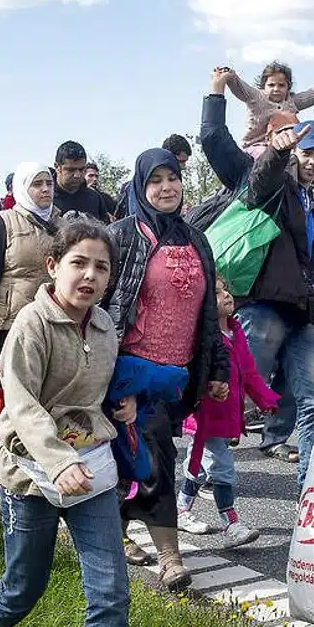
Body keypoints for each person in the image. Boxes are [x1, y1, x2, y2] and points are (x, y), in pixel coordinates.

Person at [0, 220, 133, 627]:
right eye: (79, 263)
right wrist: (58, 461)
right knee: (24, 587)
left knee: (110, 590)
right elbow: (22, 404)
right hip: (30, 473)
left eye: (101, 267)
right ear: (53, 266)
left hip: (90, 471)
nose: (90, 275)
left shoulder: (105, 326)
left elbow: (97, 390)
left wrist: (126, 404)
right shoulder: (31, 325)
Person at [201, 70, 314, 485]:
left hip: (300, 311)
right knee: (230, 395)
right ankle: (204, 474)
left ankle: (310, 488)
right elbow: (258, 175)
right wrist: (277, 152)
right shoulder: (274, 185)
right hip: (263, 307)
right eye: (308, 153)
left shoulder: (313, 197)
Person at [103, 148, 228, 588]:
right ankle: (170, 557)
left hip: (179, 377)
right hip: (132, 372)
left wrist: (217, 369)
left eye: (172, 178)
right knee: (156, 459)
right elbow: (101, 303)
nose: (166, 188)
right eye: (154, 181)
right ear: (141, 187)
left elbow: (208, 312)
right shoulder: (122, 236)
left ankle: (114, 534)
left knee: (132, 458)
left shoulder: (196, 239)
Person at [179, 274, 277, 547]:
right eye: (218, 293)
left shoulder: (236, 331)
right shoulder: (200, 337)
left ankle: (182, 508)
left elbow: (249, 371)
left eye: (226, 290)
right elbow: (191, 374)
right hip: (205, 417)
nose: (226, 296)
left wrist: (265, 399)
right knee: (221, 467)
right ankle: (231, 524)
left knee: (199, 466)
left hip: (227, 416)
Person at [0, 164, 61, 365]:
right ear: (22, 188)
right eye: (37, 184)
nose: (45, 189)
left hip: (53, 319)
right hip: (11, 322)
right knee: (11, 379)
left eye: (49, 183)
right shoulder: (4, 223)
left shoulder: (62, 225)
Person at [222, 61, 314, 147]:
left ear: (288, 87)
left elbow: (312, 95)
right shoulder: (256, 97)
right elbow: (241, 89)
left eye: (281, 85)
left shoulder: (291, 102)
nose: (276, 89)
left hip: (284, 143)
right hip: (256, 145)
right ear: (263, 86)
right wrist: (230, 76)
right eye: (271, 85)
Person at [52, 140, 115, 222]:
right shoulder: (46, 199)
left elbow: (106, 227)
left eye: (81, 169)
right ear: (57, 167)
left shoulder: (94, 198)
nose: (77, 175)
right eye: (71, 170)